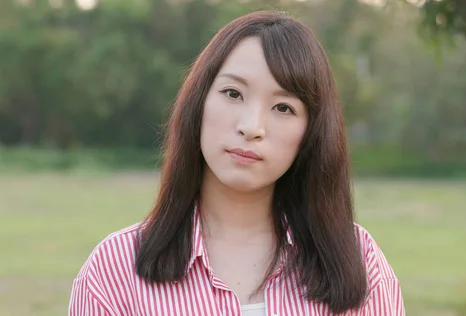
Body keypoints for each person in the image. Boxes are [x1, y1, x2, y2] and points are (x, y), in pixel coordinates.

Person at [68, 10, 405, 316]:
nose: (251, 127)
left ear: (310, 133)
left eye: (283, 107)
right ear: (198, 103)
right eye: (233, 93)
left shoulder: (358, 263)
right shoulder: (113, 270)